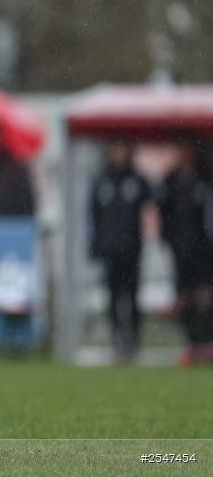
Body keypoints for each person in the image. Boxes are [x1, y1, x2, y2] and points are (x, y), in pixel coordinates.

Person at [89, 141, 152, 360]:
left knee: (132, 296)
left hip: (132, 249)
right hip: (109, 250)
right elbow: (94, 216)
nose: (119, 153)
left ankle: (134, 340)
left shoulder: (136, 180)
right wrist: (95, 246)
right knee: (113, 296)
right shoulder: (101, 180)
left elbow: (152, 203)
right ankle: (115, 339)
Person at [158, 139, 213, 365]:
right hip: (180, 248)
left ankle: (206, 343)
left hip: (204, 248)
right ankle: (192, 344)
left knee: (205, 295)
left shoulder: (205, 178)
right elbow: (164, 211)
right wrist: (168, 237)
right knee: (184, 296)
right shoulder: (171, 180)